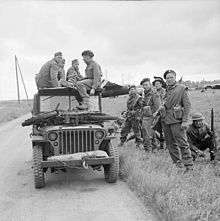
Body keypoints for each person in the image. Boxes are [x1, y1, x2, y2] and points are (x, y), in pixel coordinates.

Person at [160, 70, 193, 172]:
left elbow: (187, 106)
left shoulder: (181, 88)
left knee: (182, 143)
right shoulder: (165, 91)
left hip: (177, 120)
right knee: (170, 144)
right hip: (166, 121)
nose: (169, 79)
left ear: (175, 78)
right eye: (167, 78)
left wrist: (184, 121)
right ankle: (177, 165)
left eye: (171, 77)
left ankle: (189, 166)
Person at [141, 78, 161, 151]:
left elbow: (158, 106)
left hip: (151, 116)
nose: (145, 86)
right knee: (149, 132)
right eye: (143, 85)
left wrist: (155, 116)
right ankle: (154, 147)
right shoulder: (145, 94)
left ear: (150, 85)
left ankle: (148, 149)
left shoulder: (154, 94)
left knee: (146, 132)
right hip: (145, 115)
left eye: (146, 84)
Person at [152, 77, 166, 148]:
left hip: (164, 114)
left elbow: (164, 103)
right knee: (157, 129)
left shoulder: (165, 91)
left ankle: (168, 144)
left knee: (165, 130)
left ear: (161, 84)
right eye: (155, 84)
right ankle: (161, 144)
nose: (156, 85)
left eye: (158, 83)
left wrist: (157, 111)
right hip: (157, 115)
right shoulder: (154, 93)